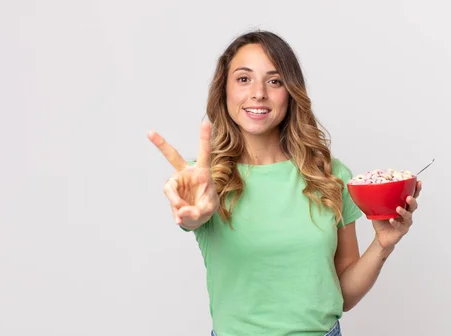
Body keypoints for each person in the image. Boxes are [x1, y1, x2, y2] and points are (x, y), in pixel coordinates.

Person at [147, 30, 422, 336]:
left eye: (274, 81)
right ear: (223, 91)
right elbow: (194, 213)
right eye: (243, 79)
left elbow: (343, 295)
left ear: (291, 92)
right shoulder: (205, 179)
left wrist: (383, 245)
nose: (259, 93)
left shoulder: (330, 175)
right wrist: (194, 211)